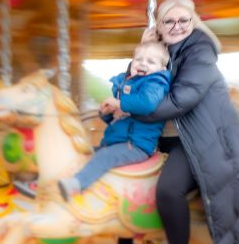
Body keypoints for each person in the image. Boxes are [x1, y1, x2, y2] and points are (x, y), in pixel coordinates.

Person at [96, 0, 239, 244]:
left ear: (194, 22)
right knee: (117, 162)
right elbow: (135, 82)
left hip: (200, 139)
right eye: (168, 21)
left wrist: (127, 107)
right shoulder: (161, 51)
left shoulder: (201, 54)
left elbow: (181, 100)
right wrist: (144, 50)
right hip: (167, 134)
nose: (176, 26)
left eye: (183, 20)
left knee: (169, 190)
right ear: (159, 25)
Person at [57, 41, 171, 200]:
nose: (143, 63)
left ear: (162, 69)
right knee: (85, 152)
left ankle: (76, 184)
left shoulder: (156, 83)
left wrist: (119, 103)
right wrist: (107, 113)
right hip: (116, 141)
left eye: (151, 61)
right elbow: (118, 117)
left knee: (105, 157)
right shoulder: (125, 84)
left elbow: (147, 104)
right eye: (138, 59)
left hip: (136, 145)